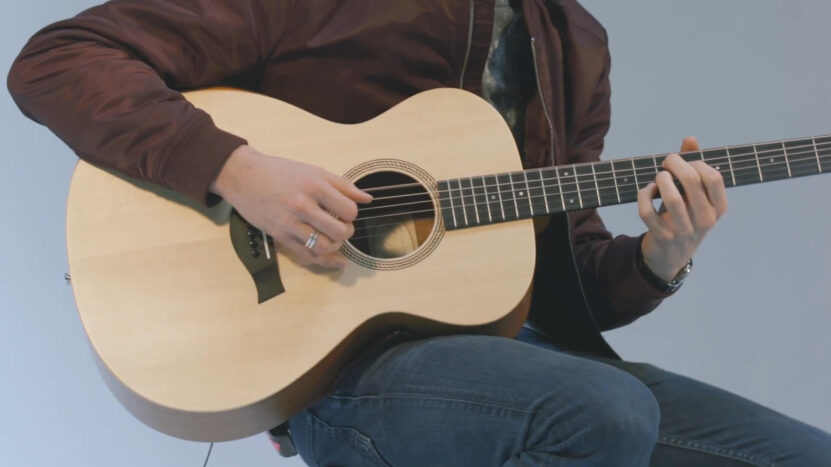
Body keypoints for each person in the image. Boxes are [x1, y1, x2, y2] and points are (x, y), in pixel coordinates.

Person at [8, 0, 830, 465]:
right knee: (602, 410)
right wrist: (242, 172)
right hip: (336, 369)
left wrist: (658, 256)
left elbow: (560, 269)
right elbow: (59, 59)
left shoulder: (576, 44)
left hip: (522, 356)